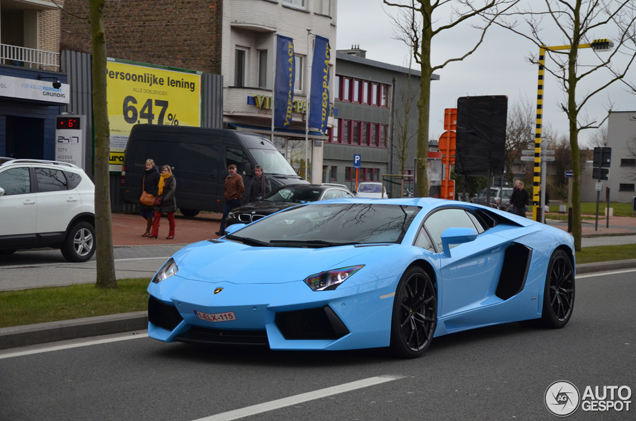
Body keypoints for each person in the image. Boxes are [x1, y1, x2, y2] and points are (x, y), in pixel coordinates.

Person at [149, 165, 177, 239]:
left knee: (170, 217)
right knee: (156, 215)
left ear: (169, 171)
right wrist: (157, 196)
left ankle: (171, 234)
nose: (164, 172)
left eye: (166, 170)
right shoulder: (160, 178)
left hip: (168, 200)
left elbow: (172, 190)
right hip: (159, 199)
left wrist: (165, 198)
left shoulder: (172, 179)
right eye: (163, 170)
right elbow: (157, 188)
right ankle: (154, 233)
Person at [216, 164, 244, 236]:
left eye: (233, 168)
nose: (231, 170)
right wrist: (225, 195)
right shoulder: (228, 177)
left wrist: (236, 197)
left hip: (235, 200)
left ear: (236, 169)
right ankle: (222, 230)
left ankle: (236, 232)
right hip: (228, 199)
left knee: (236, 216)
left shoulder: (238, 177)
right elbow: (225, 188)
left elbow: (241, 188)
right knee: (225, 215)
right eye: (230, 169)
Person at [140, 159, 160, 237]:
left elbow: (158, 185)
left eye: (149, 165)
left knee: (148, 212)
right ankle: (153, 224)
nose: (148, 166)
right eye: (147, 165)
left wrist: (154, 193)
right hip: (144, 195)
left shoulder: (156, 174)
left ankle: (148, 231)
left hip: (151, 196)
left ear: (152, 165)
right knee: (142, 212)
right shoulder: (144, 173)